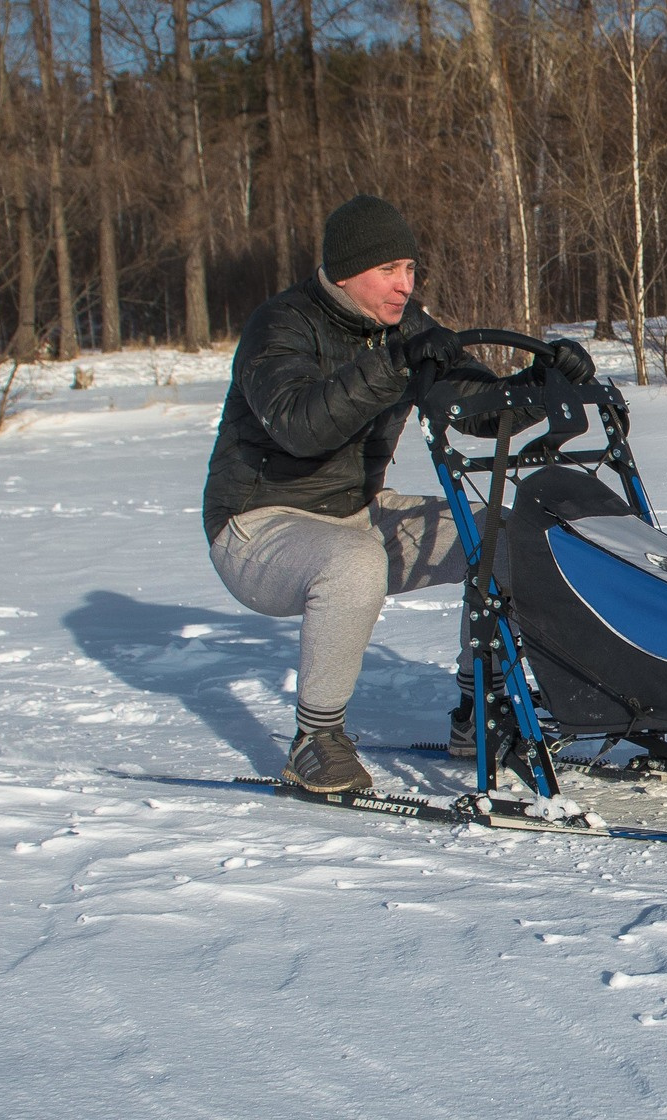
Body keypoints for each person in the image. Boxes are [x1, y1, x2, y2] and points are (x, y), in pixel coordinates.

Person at [202, 194, 510, 794]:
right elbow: (297, 424)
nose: (404, 286)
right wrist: (396, 364)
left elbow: (476, 409)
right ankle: (315, 741)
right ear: (345, 272)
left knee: (501, 532)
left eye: (410, 269)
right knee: (353, 564)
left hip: (357, 513)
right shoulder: (281, 324)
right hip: (256, 528)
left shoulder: (405, 326)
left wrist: (545, 382)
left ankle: (480, 714)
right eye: (388, 271)